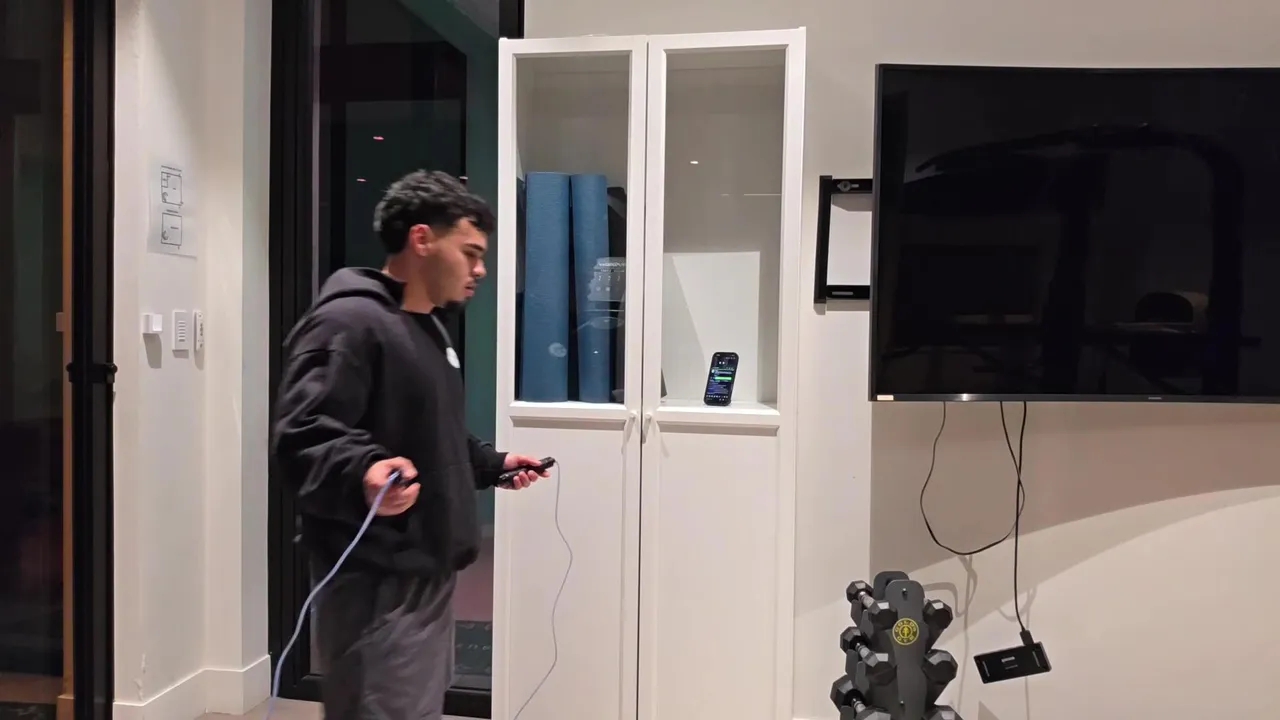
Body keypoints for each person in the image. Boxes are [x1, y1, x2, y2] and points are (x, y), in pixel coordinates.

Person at [271, 170, 548, 719]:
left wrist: (490, 463)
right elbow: (301, 431)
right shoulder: (348, 322)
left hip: (428, 571)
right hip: (377, 582)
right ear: (421, 239)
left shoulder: (427, 328)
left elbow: (430, 433)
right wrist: (364, 471)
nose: (480, 269)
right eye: (470, 253)